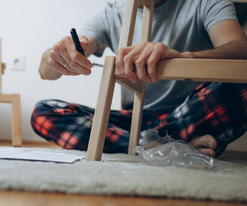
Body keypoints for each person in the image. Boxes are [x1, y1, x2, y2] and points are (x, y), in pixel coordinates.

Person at [32, 0, 247, 157]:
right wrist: (56, 57)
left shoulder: (205, 2)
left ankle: (151, 143)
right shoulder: (113, 13)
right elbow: (46, 72)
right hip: (134, 118)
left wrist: (182, 57)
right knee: (44, 111)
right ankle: (161, 146)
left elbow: (241, 49)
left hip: (189, 114)